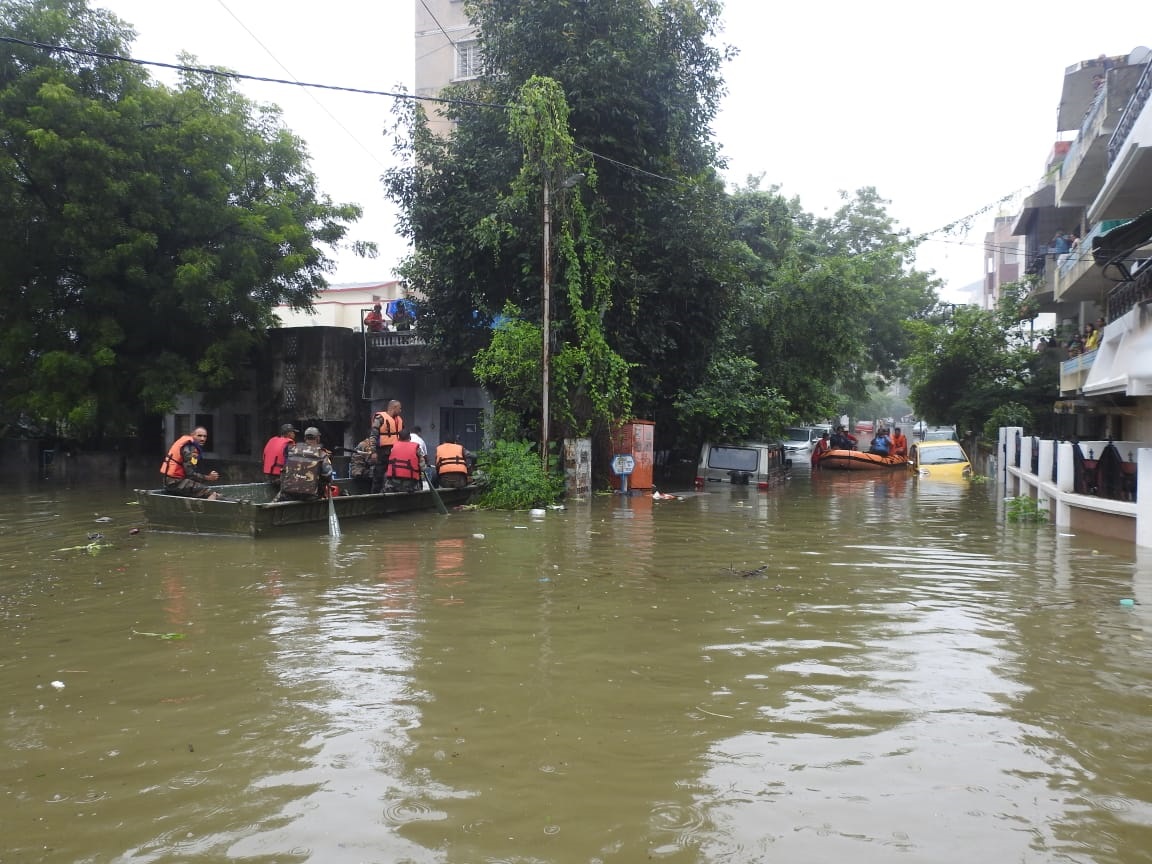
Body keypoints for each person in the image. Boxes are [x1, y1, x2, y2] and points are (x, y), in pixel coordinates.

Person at [160, 426, 220, 499]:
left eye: (205, 436)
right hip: (176, 482)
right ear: (192, 435)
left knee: (202, 489)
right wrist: (208, 477)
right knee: (210, 493)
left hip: (172, 481)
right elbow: (190, 474)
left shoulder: (189, 446)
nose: (202, 439)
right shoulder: (190, 450)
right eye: (199, 436)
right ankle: (208, 510)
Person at [276, 427, 334, 501]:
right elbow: (328, 475)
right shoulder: (321, 454)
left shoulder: (292, 450)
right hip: (309, 496)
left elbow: (284, 471)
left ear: (305, 438)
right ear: (318, 438)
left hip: (288, 494)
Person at [370, 399, 404, 493]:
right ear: (394, 407)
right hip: (382, 451)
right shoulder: (380, 418)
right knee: (378, 476)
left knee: (395, 475)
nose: (400, 411)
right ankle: (374, 498)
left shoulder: (399, 420)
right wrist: (373, 452)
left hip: (395, 452)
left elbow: (404, 436)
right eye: (399, 408)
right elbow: (373, 436)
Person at [261, 424, 297, 490]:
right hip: (279, 477)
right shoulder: (289, 444)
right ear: (289, 433)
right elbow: (292, 463)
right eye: (293, 432)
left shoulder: (272, 440)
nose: (294, 434)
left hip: (268, 476)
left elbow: (264, 458)